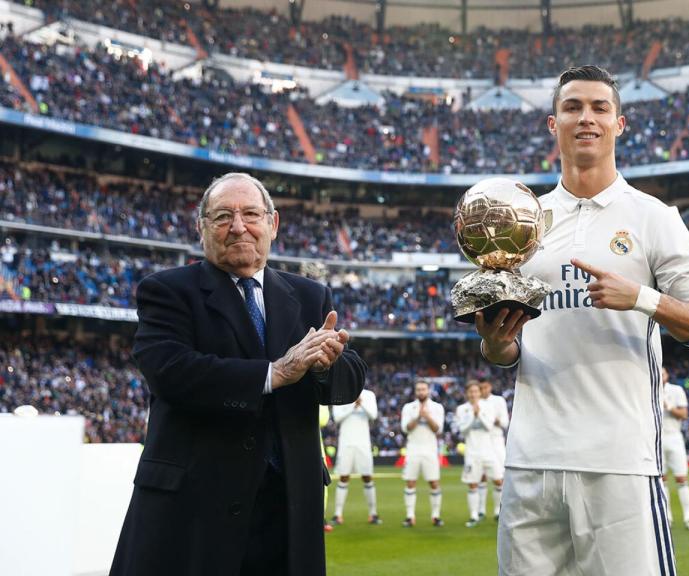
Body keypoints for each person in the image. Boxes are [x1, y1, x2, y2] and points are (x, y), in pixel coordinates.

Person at [475, 65, 689, 575]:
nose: (585, 118)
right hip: (530, 460)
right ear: (554, 124)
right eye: (572, 107)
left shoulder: (653, 217)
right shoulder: (522, 222)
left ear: (619, 124)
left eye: (599, 108)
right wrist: (497, 345)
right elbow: (509, 351)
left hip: (618, 462)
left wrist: (641, 297)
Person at [111, 172, 367, 576]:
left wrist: (326, 363)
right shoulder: (167, 290)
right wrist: (276, 372)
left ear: (273, 224)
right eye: (222, 216)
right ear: (202, 228)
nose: (238, 227)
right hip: (195, 510)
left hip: (287, 511)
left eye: (250, 213)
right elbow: (170, 372)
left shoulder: (309, 295)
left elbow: (349, 378)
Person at [331, 387, 381, 526]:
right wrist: (353, 405)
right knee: (343, 477)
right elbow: (337, 418)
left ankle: (373, 514)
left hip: (363, 443)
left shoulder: (369, 395)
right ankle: (338, 514)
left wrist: (362, 404)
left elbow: (373, 415)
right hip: (346, 443)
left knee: (367, 476)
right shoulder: (340, 393)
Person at [400, 380, 445, 527]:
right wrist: (418, 416)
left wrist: (427, 416)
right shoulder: (408, 407)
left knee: (433, 482)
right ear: (415, 392)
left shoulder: (437, 407)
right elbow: (405, 428)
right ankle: (410, 516)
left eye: (423, 389)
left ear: (428, 391)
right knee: (410, 482)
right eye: (418, 389)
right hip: (413, 449)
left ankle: (436, 516)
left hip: (430, 450)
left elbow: (437, 429)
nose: (421, 392)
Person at [661, 366, 689, 531]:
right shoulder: (647, 388)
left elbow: (684, 415)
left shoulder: (676, 390)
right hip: (655, 439)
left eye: (662, 372)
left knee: (682, 479)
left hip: (674, 438)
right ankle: (666, 518)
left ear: (667, 375)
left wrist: (669, 407)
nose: (660, 375)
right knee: (661, 481)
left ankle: (688, 518)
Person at [456, 380, 498, 527]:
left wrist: (479, 414)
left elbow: (489, 426)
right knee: (472, 483)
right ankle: (474, 515)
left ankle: (497, 511)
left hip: (488, 450)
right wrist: (472, 416)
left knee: (498, 480)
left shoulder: (488, 406)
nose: (473, 394)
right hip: (472, 452)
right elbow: (463, 430)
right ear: (467, 393)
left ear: (480, 393)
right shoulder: (462, 409)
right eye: (470, 392)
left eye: (476, 391)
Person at [478, 377, 509, 521]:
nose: (483, 391)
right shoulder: (476, 402)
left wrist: (492, 419)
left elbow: (505, 422)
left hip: (496, 441)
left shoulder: (499, 401)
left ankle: (498, 510)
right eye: (480, 388)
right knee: (481, 476)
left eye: (485, 387)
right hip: (481, 441)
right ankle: (481, 510)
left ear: (489, 387)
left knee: (499, 477)